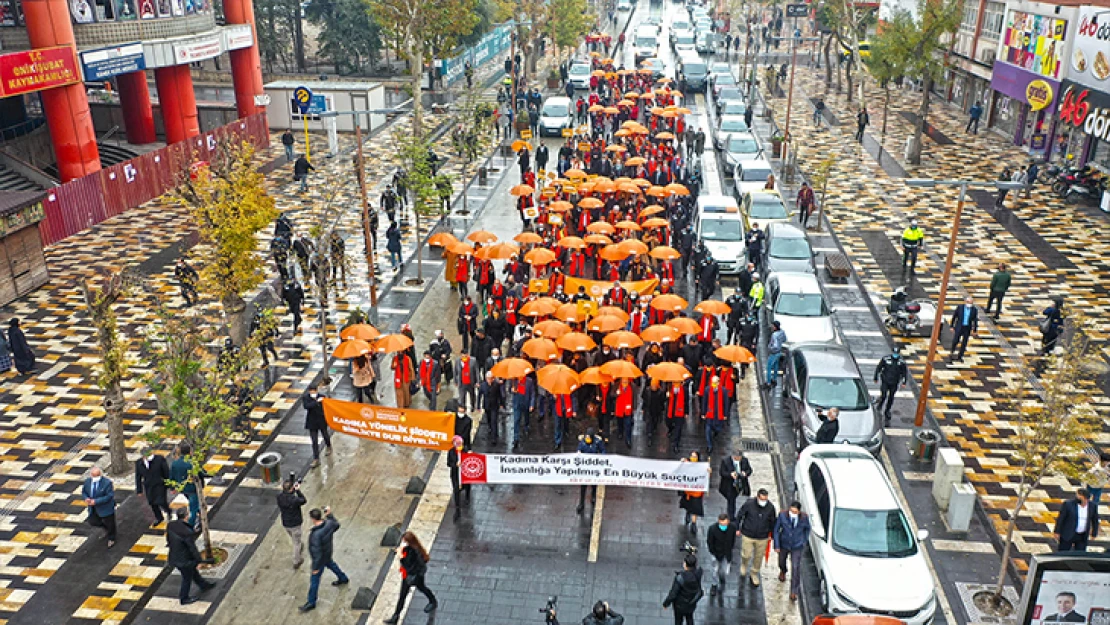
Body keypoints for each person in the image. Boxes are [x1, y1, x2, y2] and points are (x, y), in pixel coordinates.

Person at [300, 507, 349, 612]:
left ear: (313, 519)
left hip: (320, 559)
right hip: (327, 552)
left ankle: (311, 602)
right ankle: (343, 578)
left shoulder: (315, 535)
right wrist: (330, 515)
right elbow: (337, 525)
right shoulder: (329, 524)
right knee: (331, 564)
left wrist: (315, 567)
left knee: (314, 581)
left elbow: (316, 552)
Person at [384, 531, 437, 622]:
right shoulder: (408, 548)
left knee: (422, 588)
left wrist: (401, 558)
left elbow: (410, 567)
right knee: (402, 595)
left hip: (414, 576)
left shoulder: (415, 552)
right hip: (407, 576)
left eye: (404, 541)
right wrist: (400, 552)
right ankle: (395, 616)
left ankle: (433, 601)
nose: (402, 543)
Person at [166, 507, 215, 605]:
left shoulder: (171, 525)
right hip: (184, 560)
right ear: (186, 516)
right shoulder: (187, 532)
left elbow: (169, 539)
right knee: (187, 578)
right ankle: (184, 598)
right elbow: (192, 548)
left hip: (174, 556)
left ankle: (203, 585)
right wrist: (200, 561)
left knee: (193, 572)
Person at [736, 488, 776, 586]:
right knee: (746, 554)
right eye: (762, 499)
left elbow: (773, 522)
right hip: (748, 534)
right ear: (757, 497)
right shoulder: (749, 504)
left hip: (762, 536)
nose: (764, 502)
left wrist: (772, 535)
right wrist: (738, 528)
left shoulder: (770, 507)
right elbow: (740, 515)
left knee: (758, 557)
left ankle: (754, 573)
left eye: (765, 499)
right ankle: (744, 564)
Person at [773, 501, 810, 601]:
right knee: (781, 561)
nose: (792, 513)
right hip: (784, 543)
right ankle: (783, 570)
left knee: (795, 567)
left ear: (798, 512)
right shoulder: (782, 515)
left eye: (795, 512)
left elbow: (807, 529)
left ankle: (794, 591)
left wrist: (804, 541)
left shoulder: (804, 518)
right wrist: (776, 544)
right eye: (791, 511)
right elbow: (776, 530)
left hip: (797, 546)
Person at [135, 446, 171, 528]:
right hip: (149, 485)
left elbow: (166, 472)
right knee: (152, 502)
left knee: (161, 501)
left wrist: (169, 484)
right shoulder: (139, 463)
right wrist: (139, 490)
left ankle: (168, 511)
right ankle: (159, 517)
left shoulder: (159, 459)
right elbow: (138, 477)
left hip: (160, 484)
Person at [662, 553, 703, 625]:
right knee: (689, 617)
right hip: (691, 603)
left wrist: (666, 604)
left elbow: (673, 594)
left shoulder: (680, 578)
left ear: (686, 565)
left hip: (680, 605)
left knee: (678, 620)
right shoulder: (698, 574)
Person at [82, 466, 117, 548]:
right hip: (93, 507)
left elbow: (109, 496)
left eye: (97, 475)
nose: (95, 477)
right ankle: (106, 528)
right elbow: (84, 492)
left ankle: (112, 538)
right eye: (93, 475)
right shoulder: (87, 482)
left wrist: (96, 501)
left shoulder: (107, 483)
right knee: (92, 521)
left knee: (110, 523)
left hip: (106, 508)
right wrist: (86, 498)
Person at [170, 443, 203, 528]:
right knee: (193, 509)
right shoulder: (192, 463)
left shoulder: (175, 463)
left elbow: (172, 476)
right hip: (192, 488)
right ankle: (190, 526)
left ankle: (201, 511)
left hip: (182, 488)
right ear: (190, 452)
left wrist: (172, 488)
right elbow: (200, 473)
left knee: (193, 502)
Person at [277, 478, 308, 568]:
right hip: (295, 523)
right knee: (296, 543)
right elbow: (303, 500)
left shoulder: (279, 497)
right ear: (291, 489)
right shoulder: (294, 500)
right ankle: (296, 560)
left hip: (286, 522)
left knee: (293, 537)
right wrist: (298, 491)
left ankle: (298, 545)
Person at [705, 513, 737, 597]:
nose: (723, 526)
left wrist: (730, 549)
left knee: (724, 570)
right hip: (716, 553)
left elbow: (733, 540)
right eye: (721, 524)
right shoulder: (712, 529)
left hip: (726, 553)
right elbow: (709, 542)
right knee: (714, 570)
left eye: (725, 524)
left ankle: (722, 577)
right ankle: (714, 585)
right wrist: (713, 552)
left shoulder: (732, 528)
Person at [873, 348, 908, 424]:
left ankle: (887, 410)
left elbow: (904, 373)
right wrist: (876, 377)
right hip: (885, 381)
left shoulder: (901, 362)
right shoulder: (886, 359)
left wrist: (904, 382)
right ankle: (880, 406)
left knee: (891, 397)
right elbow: (879, 368)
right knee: (884, 395)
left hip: (894, 382)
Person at [577, 428, 606, 514]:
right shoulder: (583, 442)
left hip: (594, 468)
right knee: (583, 487)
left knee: (594, 484)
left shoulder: (598, 442)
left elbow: (603, 451)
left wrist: (601, 456)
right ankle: (581, 503)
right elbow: (579, 450)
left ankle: (593, 496)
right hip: (585, 469)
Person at [303, 385, 333, 467]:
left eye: (314, 391)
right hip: (312, 422)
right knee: (314, 441)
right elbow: (306, 406)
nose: (312, 393)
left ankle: (329, 446)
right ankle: (316, 459)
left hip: (321, 420)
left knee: (325, 435)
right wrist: (316, 402)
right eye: (311, 391)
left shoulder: (322, 397)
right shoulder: (306, 398)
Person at [718, 450, 752, 521]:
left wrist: (745, 473)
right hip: (730, 485)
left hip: (741, 483)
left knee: (745, 499)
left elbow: (749, 470)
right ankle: (731, 516)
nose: (738, 459)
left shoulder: (744, 460)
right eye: (736, 458)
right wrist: (730, 474)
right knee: (731, 501)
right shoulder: (725, 461)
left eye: (740, 458)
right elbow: (722, 472)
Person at [680, 452, 707, 534]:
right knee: (688, 505)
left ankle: (694, 523)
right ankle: (688, 513)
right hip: (688, 491)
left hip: (697, 492)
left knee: (695, 508)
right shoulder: (687, 464)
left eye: (695, 456)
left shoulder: (702, 467)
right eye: (692, 456)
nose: (693, 458)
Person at [447, 435, 470, 518]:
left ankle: (467, 496)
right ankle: (457, 508)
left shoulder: (465, 450)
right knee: (456, 490)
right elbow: (449, 463)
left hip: (464, 474)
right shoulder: (451, 452)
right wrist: (455, 465)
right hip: (455, 474)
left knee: (467, 486)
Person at [949, 296, 979, 362]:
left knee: (964, 342)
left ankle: (960, 356)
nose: (969, 304)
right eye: (968, 302)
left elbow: (975, 320)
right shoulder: (960, 307)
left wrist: (975, 330)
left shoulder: (974, 310)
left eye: (971, 303)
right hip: (959, 326)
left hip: (967, 328)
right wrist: (952, 326)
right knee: (955, 340)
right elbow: (954, 316)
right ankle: (952, 350)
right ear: (965, 302)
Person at [479, 371, 502, 443]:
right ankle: (490, 428)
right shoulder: (483, 385)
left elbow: (499, 395)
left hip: (494, 405)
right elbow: (479, 396)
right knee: (489, 419)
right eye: (488, 378)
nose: (489, 380)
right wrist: (478, 406)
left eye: (491, 378)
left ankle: (494, 437)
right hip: (487, 405)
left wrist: (501, 403)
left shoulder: (496, 385)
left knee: (494, 420)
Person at [763, 321, 786, 389]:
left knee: (769, 368)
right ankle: (774, 379)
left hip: (774, 353)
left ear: (775, 327)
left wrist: (770, 348)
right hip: (779, 352)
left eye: (772, 326)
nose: (771, 327)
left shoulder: (774, 335)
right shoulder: (782, 332)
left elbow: (775, 345)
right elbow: (784, 339)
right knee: (776, 366)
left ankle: (768, 382)